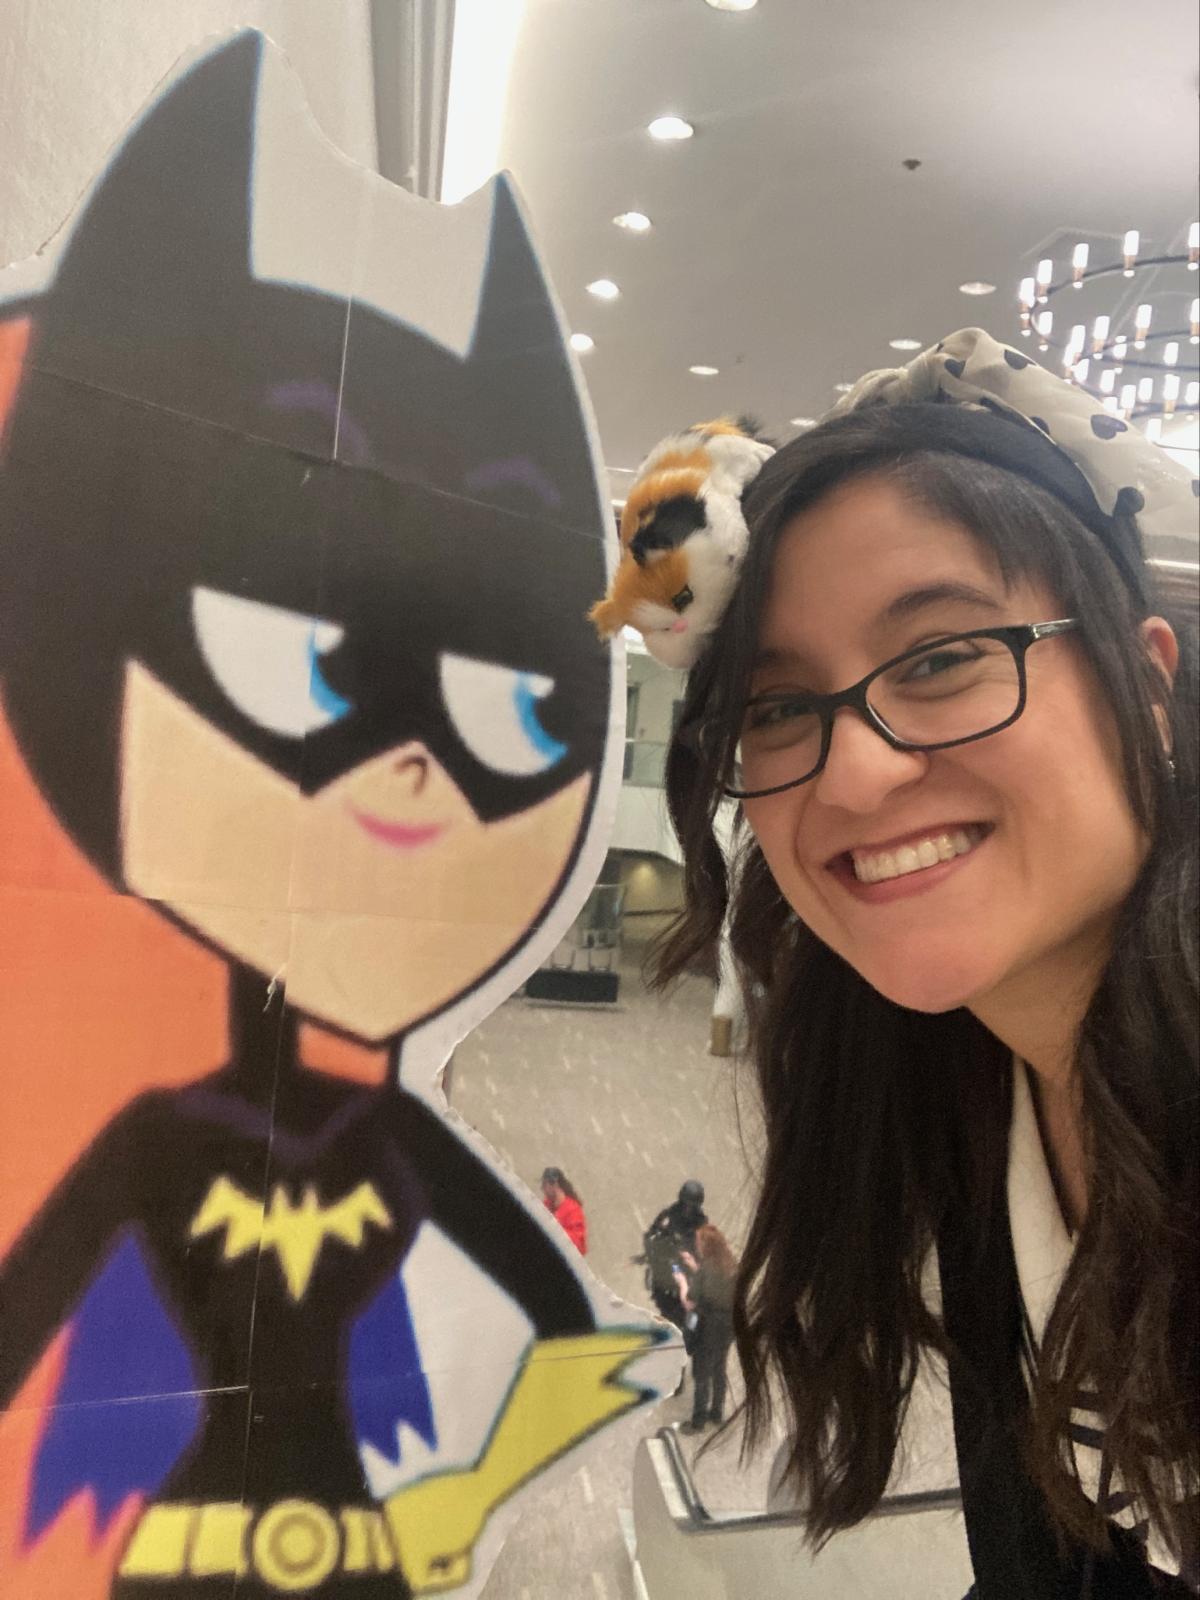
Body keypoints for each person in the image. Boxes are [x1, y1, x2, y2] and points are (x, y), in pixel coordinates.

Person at [653, 329, 1198, 1597]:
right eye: (778, 708)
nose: (855, 774)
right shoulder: (961, 1096)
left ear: (1147, 684)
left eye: (943, 657)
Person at [676, 1224, 738, 1434]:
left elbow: (689, 1302)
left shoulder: (706, 1270)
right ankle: (716, 1413)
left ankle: (698, 1421)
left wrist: (683, 1283)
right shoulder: (731, 1264)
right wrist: (696, 1267)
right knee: (719, 1369)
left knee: (701, 1374)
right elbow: (715, 1286)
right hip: (727, 1327)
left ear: (706, 1247)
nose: (697, 1246)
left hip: (707, 1328)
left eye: (699, 1243)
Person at [641, 1180, 708, 1339]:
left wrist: (692, 1260)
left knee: (688, 1314)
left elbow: (704, 1249)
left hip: (686, 1273)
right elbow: (651, 1237)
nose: (688, 1209)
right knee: (666, 1309)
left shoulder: (701, 1223)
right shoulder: (669, 1215)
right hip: (666, 1271)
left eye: (692, 1205)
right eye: (686, 1204)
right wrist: (658, 1251)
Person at [542, 1166, 588, 1254]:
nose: (543, 1189)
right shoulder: (547, 1204)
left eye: (544, 1185)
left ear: (555, 1185)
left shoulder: (573, 1210)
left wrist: (555, 1229)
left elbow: (580, 1245)